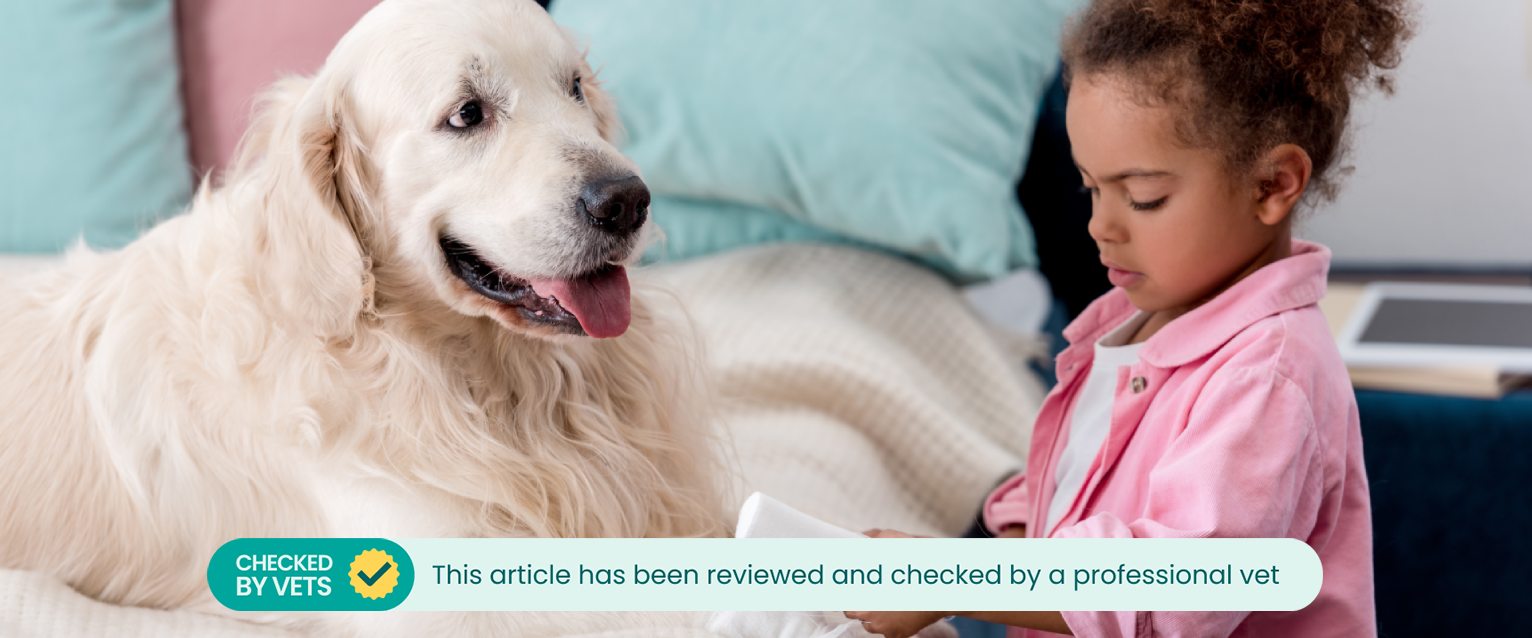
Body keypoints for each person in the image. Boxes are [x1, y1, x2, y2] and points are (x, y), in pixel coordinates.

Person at [844, 0, 1412, 635]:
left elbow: (1173, 591)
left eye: (1143, 198)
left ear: (1273, 184)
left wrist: (949, 578)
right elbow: (1080, 489)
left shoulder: (1267, 378)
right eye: (1091, 187)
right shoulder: (1131, 324)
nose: (1099, 226)